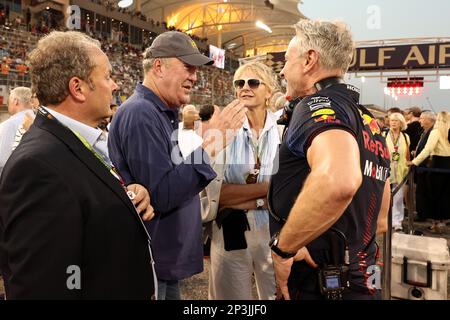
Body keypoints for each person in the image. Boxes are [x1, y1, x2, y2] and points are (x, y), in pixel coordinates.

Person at [0, 31, 156, 299]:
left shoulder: (74, 139)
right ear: (78, 88)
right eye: (107, 76)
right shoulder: (37, 165)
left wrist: (127, 195)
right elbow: (42, 287)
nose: (115, 85)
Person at [108, 31, 247, 300]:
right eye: (188, 67)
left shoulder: (159, 110)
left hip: (162, 258)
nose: (195, 77)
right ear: (158, 66)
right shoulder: (141, 113)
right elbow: (161, 194)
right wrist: (209, 147)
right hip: (151, 259)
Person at [267, 19, 391, 300]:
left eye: (286, 61)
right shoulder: (369, 121)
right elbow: (380, 220)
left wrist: (283, 248)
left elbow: (339, 181)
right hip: (365, 279)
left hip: (321, 283)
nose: (283, 70)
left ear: (309, 60)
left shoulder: (314, 104)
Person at [205, 62, 279, 300]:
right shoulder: (219, 130)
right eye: (240, 83)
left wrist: (244, 197)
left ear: (269, 91)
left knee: (278, 295)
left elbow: (291, 192)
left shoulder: (284, 129)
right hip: (231, 227)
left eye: (253, 82)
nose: (245, 88)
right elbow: (218, 194)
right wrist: (268, 192)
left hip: (276, 230)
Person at [409, 111, 450, 233]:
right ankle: (443, 222)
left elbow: (427, 150)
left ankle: (436, 223)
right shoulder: (448, 132)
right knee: (446, 195)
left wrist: (414, 162)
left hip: (436, 166)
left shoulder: (436, 132)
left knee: (435, 195)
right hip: (448, 166)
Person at [0, 87, 34, 176]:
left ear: (15, 101)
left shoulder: (9, 125)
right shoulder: (39, 120)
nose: (8, 104)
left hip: (11, 179)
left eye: (9, 100)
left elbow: (3, 160)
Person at [385, 112, 410, 232]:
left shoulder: (405, 137)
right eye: (391, 120)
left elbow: (407, 154)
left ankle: (397, 221)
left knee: (399, 198)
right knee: (384, 196)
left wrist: (407, 166)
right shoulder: (384, 134)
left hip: (400, 170)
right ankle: (384, 220)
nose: (393, 123)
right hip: (386, 169)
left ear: (401, 123)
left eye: (396, 121)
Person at [413, 111, 436, 222]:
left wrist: (415, 161)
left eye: (422, 118)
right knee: (421, 192)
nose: (419, 120)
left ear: (429, 120)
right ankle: (423, 213)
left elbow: (428, 150)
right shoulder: (426, 131)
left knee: (423, 192)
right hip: (423, 167)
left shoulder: (433, 132)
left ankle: (423, 214)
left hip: (426, 167)